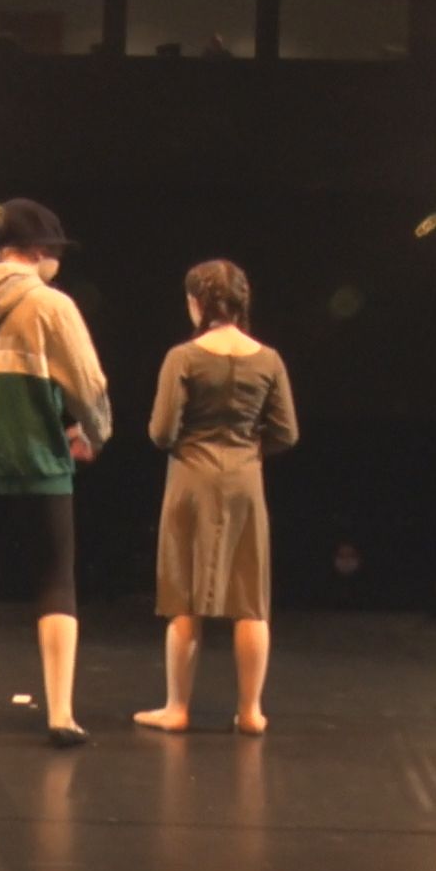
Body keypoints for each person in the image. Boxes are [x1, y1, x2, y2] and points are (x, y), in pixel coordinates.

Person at [0, 198, 112, 748]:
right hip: (38, 460)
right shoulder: (51, 306)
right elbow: (88, 385)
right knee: (55, 579)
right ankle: (60, 715)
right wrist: (94, 434)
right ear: (40, 251)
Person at [134, 260, 298, 735]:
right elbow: (286, 432)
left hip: (191, 480)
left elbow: (162, 432)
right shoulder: (268, 359)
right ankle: (250, 711)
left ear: (197, 303)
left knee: (183, 598)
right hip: (246, 481)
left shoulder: (182, 358)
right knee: (250, 600)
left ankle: (177, 708)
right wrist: (247, 447)